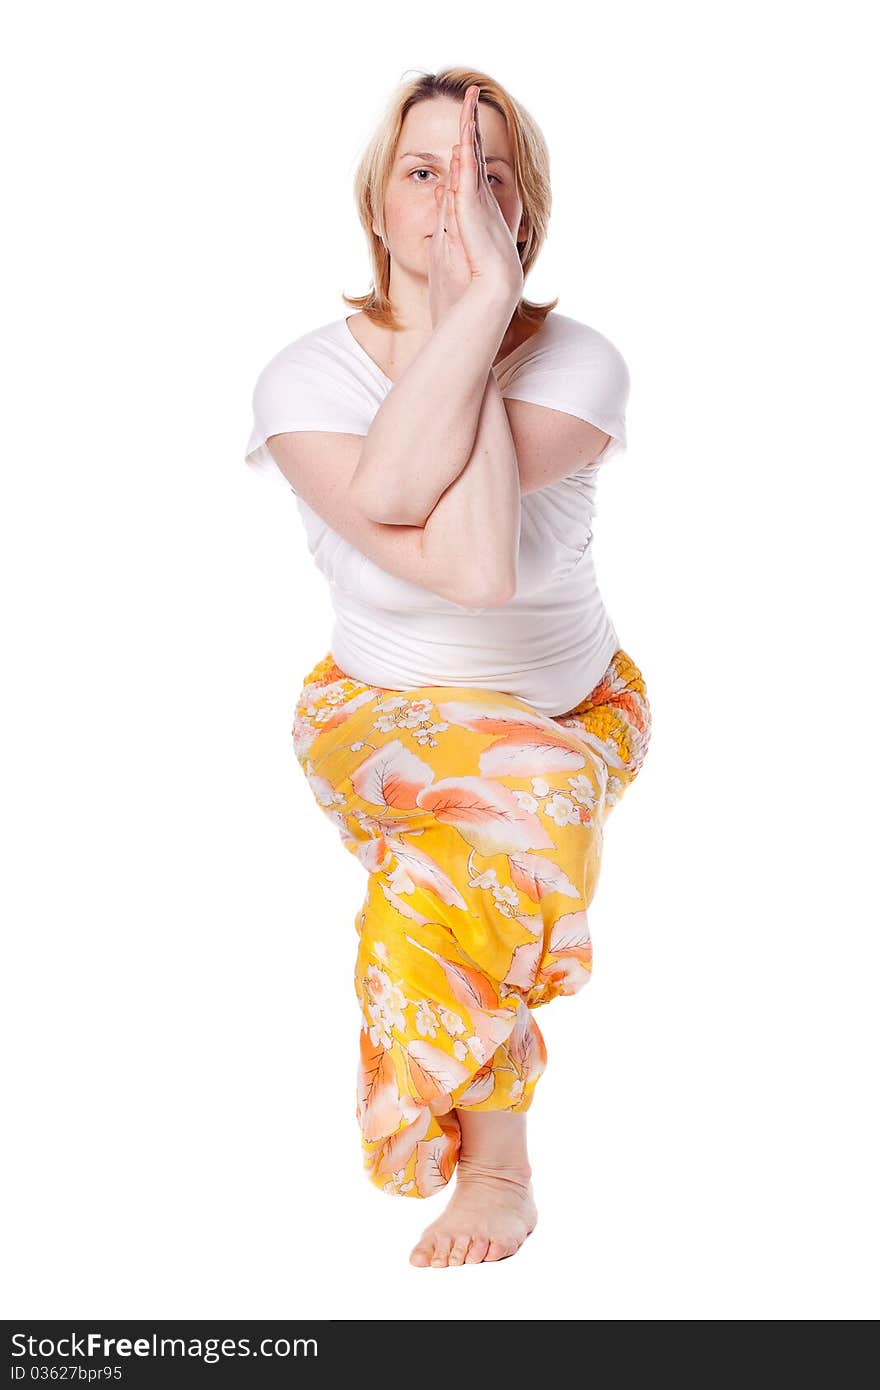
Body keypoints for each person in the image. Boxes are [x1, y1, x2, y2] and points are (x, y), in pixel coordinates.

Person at [244, 68, 652, 1268]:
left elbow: (472, 561)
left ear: (523, 209)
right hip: (377, 708)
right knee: (496, 813)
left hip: (575, 706)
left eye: (485, 174)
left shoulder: (582, 362)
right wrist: (470, 313)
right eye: (423, 172)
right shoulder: (303, 381)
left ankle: (486, 1154)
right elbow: (409, 522)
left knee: (495, 810)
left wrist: (475, 314)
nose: (451, 198)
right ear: (377, 205)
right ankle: (497, 1161)